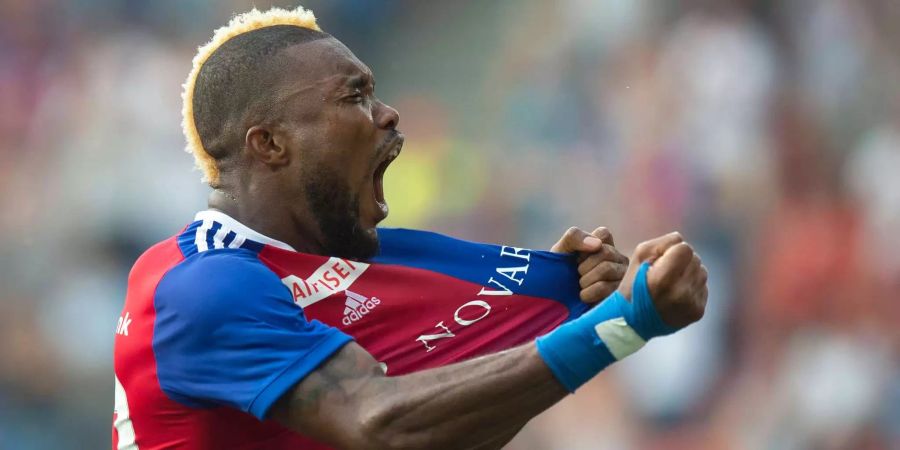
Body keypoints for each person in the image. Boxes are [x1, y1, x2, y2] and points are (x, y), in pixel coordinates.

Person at [112, 6, 708, 449]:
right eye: (355, 95)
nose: (388, 112)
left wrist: (544, 306)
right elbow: (381, 423)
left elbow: (446, 430)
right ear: (270, 143)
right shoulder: (202, 288)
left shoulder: (327, 274)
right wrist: (624, 324)